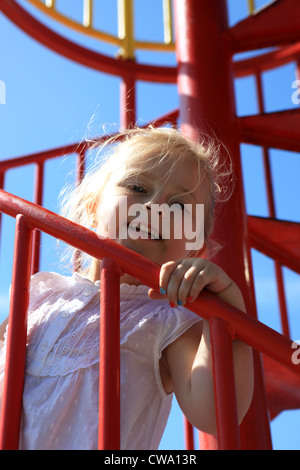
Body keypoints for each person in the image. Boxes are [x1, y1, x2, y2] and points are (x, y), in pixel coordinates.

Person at [0, 127, 253, 450]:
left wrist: (225, 312)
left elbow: (217, 412)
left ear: (193, 249)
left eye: (178, 207)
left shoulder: (165, 320)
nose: (155, 206)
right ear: (93, 206)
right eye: (137, 187)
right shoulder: (42, 294)